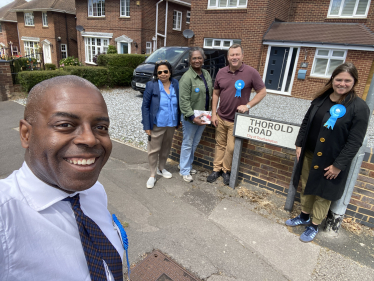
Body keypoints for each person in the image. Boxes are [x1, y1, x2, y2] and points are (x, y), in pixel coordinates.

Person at [0, 76, 125, 280]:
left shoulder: (94, 191)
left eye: (100, 127)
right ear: (26, 134)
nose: (90, 139)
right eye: (65, 124)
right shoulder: (5, 217)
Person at [286, 63, 370, 243]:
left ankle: (314, 225)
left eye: (347, 80)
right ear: (332, 80)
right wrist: (299, 144)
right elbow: (307, 121)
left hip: (331, 160)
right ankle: (304, 215)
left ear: (354, 82)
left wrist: (338, 165)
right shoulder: (321, 98)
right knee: (307, 185)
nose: (342, 84)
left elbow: (355, 141)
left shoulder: (359, 107)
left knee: (323, 193)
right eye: (338, 79)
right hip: (309, 153)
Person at [207, 44, 267, 185]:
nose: (234, 57)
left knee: (231, 147)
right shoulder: (221, 72)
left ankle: (226, 171)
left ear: (242, 56)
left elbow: (262, 92)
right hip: (221, 117)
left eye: (237, 54)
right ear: (228, 57)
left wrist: (248, 105)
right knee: (220, 145)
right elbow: (215, 94)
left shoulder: (251, 72)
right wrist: (214, 114)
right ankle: (216, 170)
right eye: (232, 55)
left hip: (237, 120)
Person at [141, 60, 180, 188]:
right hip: (157, 123)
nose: (163, 74)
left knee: (166, 147)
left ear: (170, 72)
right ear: (156, 74)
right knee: (153, 150)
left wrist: (179, 118)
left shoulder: (175, 83)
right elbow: (145, 106)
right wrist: (147, 126)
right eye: (159, 72)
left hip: (171, 123)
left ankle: (162, 168)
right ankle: (152, 174)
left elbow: (179, 103)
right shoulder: (151, 85)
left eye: (165, 71)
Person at [179, 47, 213, 182]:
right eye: (194, 58)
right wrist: (192, 117)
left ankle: (187, 164)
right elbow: (183, 100)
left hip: (205, 115)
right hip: (191, 117)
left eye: (199, 58)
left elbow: (210, 95)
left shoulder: (206, 74)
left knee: (195, 142)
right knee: (187, 142)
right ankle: (184, 170)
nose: (197, 60)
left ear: (203, 59)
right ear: (190, 60)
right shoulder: (186, 78)